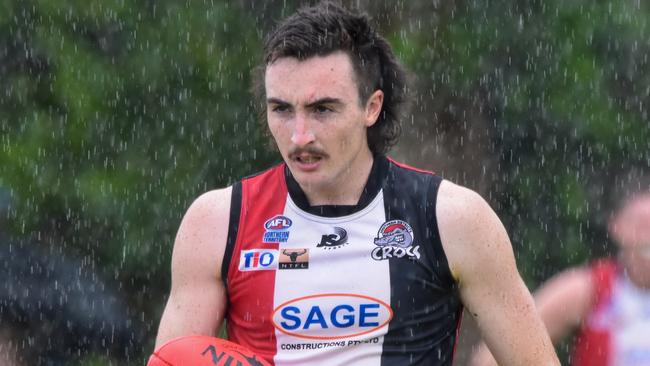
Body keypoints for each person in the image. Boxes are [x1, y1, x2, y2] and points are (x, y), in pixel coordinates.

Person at [153, 2, 558, 365]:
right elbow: (175, 359)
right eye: (281, 109)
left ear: (372, 107)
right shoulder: (217, 222)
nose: (299, 136)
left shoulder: (453, 218)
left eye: (322, 109)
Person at [471, 191, 650, 366]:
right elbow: (490, 357)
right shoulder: (589, 288)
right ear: (617, 227)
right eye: (642, 225)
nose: (647, 237)